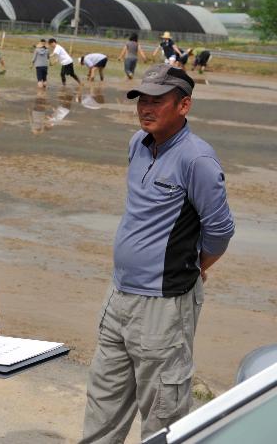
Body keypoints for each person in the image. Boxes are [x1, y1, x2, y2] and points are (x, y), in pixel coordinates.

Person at [80, 64, 235, 444]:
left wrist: (194, 268)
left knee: (163, 412)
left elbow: (220, 229)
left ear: (184, 106)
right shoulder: (138, 143)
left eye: (157, 101)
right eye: (142, 100)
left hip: (163, 306)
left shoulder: (196, 159)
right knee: (103, 400)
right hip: (118, 296)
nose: (146, 108)